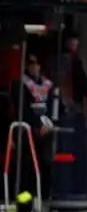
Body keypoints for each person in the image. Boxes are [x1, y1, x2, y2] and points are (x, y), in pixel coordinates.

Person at [8, 55, 55, 201]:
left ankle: (43, 198)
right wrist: (35, 125)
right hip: (27, 131)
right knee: (26, 168)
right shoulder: (20, 84)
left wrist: (48, 124)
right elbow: (21, 109)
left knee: (45, 164)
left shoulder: (47, 85)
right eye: (30, 64)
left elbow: (53, 107)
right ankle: (25, 202)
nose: (34, 67)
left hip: (45, 131)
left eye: (36, 64)